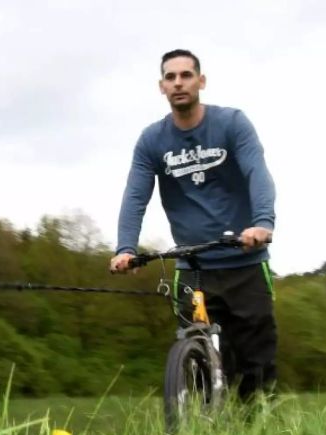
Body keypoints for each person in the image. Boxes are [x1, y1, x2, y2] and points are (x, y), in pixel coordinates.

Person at [109, 49, 277, 401]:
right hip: (193, 268)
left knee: (255, 367)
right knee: (196, 360)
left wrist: (262, 223)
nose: (178, 82)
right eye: (170, 77)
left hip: (243, 262)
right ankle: (201, 427)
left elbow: (256, 172)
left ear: (201, 81)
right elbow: (135, 196)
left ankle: (257, 428)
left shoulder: (232, 124)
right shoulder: (152, 141)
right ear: (161, 87)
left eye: (186, 75)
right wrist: (126, 248)